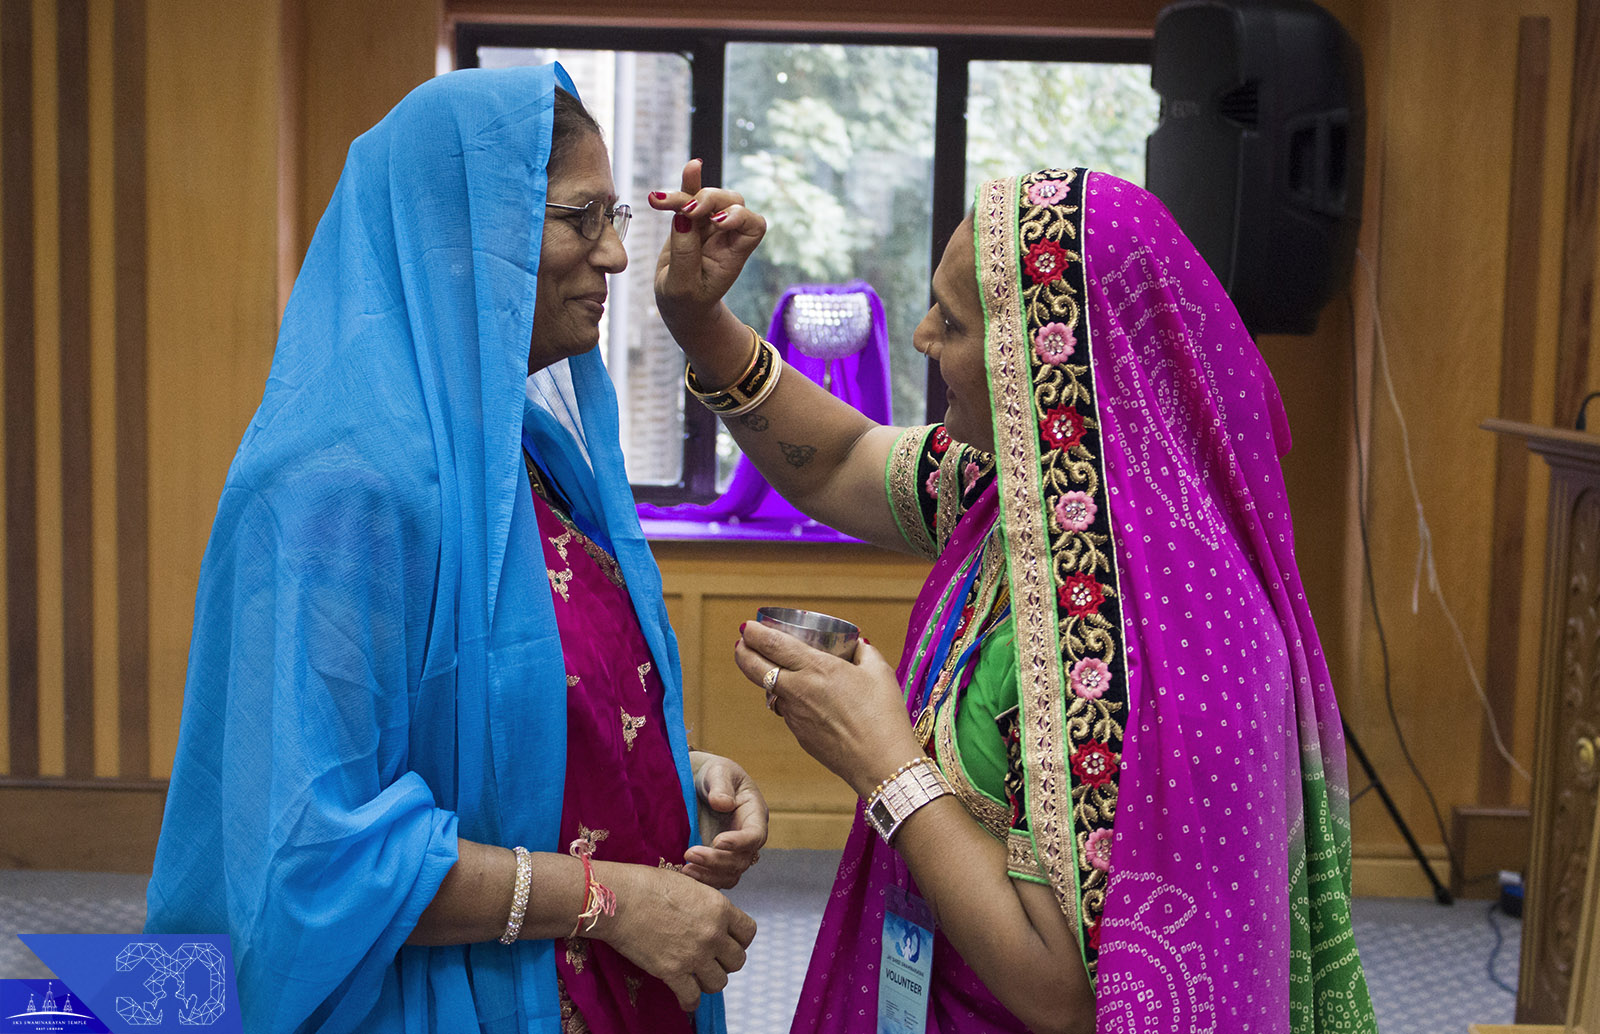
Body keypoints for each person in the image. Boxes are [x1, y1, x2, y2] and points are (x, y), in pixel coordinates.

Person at [651, 164, 1379, 1032]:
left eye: (954, 322)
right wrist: (700, 323)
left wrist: (882, 762)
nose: (921, 337)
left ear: (1053, 355)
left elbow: (1062, 994)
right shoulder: (1040, 501)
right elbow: (841, 462)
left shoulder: (1140, 634)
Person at [145, 65, 765, 1034]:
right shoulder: (333, 488)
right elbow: (313, 849)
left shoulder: (521, 452)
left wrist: (656, 764)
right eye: (579, 217)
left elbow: (491, 716)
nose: (613, 255)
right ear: (459, 229)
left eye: (615, 216)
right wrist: (610, 897)